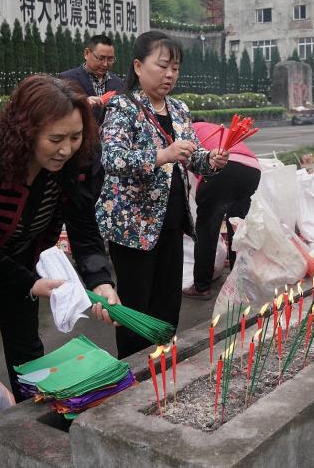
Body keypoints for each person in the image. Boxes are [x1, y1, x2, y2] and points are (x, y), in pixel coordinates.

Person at [0, 75, 118, 466]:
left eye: (75, 137)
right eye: (55, 139)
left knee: (27, 352)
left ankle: (33, 443)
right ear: (27, 131)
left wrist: (101, 281)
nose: (65, 149)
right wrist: (30, 281)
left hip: (18, 255)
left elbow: (82, 226)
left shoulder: (75, 164)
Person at [97, 31, 228, 358]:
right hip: (132, 227)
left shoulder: (180, 109)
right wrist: (162, 155)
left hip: (171, 221)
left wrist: (210, 160)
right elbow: (112, 158)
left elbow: (191, 156)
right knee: (136, 308)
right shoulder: (123, 106)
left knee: (168, 303)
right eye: (163, 66)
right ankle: (132, 374)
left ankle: (163, 364)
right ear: (139, 66)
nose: (170, 74)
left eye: (176, 68)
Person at [182, 119, 262, 299]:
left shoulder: (188, 131)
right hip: (252, 169)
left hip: (223, 167)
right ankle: (240, 282)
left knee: (207, 231)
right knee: (237, 228)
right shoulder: (216, 129)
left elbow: (185, 170)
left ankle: (201, 287)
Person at [60, 33, 125, 199]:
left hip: (107, 160)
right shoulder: (67, 79)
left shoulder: (118, 84)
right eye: (101, 58)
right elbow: (56, 113)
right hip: (79, 158)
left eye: (110, 59)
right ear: (87, 53)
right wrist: (82, 103)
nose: (105, 64)